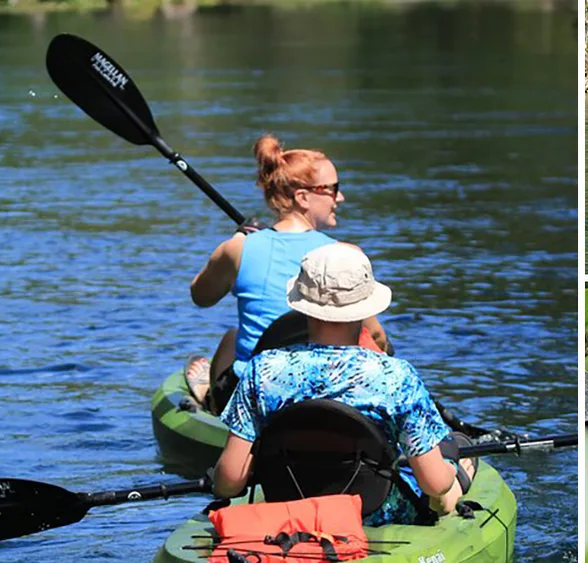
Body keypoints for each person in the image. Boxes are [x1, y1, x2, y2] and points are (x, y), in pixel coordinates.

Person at [213, 244, 476, 526]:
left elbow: (228, 483)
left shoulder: (262, 370)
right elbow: (434, 484)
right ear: (366, 306)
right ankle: (461, 477)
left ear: (302, 302)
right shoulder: (396, 376)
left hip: (290, 512)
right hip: (377, 516)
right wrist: (450, 471)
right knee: (446, 479)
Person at [188, 134, 388, 413]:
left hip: (258, 393)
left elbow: (201, 296)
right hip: (328, 392)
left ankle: (212, 401)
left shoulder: (238, 249)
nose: (340, 197)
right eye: (333, 189)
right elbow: (376, 336)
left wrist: (237, 241)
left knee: (232, 337)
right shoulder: (346, 255)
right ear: (303, 197)